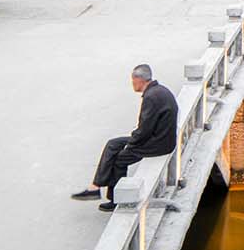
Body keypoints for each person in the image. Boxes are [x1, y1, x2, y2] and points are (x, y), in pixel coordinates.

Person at [71, 64, 178, 212]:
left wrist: (131, 144)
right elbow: (146, 128)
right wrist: (133, 139)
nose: (132, 84)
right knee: (113, 144)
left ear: (139, 79)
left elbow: (144, 130)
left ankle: (116, 200)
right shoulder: (159, 91)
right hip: (160, 138)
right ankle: (95, 186)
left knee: (120, 159)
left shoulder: (151, 97)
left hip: (158, 144)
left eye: (133, 80)